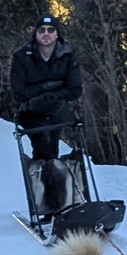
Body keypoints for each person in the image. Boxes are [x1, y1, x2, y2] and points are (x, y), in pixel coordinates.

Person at [10, 14, 82, 160]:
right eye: (42, 30)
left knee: (52, 142)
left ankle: (53, 171)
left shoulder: (68, 56)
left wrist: (50, 95)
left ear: (57, 34)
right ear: (36, 33)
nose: (46, 34)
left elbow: (75, 89)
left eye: (50, 30)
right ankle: (44, 172)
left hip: (58, 109)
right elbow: (18, 92)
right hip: (31, 110)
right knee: (42, 144)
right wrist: (47, 88)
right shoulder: (21, 57)